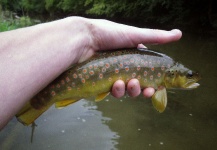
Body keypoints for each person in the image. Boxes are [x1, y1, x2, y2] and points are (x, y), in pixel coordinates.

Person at [0, 16, 182, 130]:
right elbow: (160, 104)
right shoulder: (164, 69)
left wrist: (86, 35)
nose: (191, 78)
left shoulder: (164, 64)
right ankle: (38, 102)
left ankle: (34, 103)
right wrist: (87, 35)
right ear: (172, 75)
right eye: (188, 76)